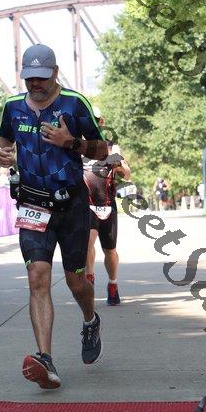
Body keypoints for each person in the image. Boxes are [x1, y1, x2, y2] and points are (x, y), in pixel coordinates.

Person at [0, 43, 108, 390]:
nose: (35, 84)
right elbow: (2, 138)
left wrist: (71, 142)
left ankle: (90, 319)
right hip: (33, 205)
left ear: (55, 74)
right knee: (37, 277)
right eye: (29, 78)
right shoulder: (13, 106)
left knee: (76, 281)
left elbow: (102, 149)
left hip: (71, 207)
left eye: (41, 78)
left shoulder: (74, 103)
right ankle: (45, 358)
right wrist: (2, 153)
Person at [83, 106, 131, 306]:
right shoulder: (76, 145)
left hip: (107, 204)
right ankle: (89, 280)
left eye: (95, 119)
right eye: (87, 119)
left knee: (109, 250)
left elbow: (126, 174)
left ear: (101, 122)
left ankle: (113, 283)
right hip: (86, 204)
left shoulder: (112, 147)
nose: (91, 123)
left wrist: (117, 164)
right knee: (88, 242)